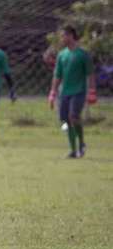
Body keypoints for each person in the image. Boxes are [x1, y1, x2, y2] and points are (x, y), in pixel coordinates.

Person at [48, 25, 96, 158]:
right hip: (64, 92)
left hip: (79, 91)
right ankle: (73, 150)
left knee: (73, 117)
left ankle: (81, 144)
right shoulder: (62, 55)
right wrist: (52, 92)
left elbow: (90, 74)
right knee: (66, 120)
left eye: (63, 36)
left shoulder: (82, 54)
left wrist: (92, 91)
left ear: (71, 36)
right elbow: (57, 75)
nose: (62, 38)